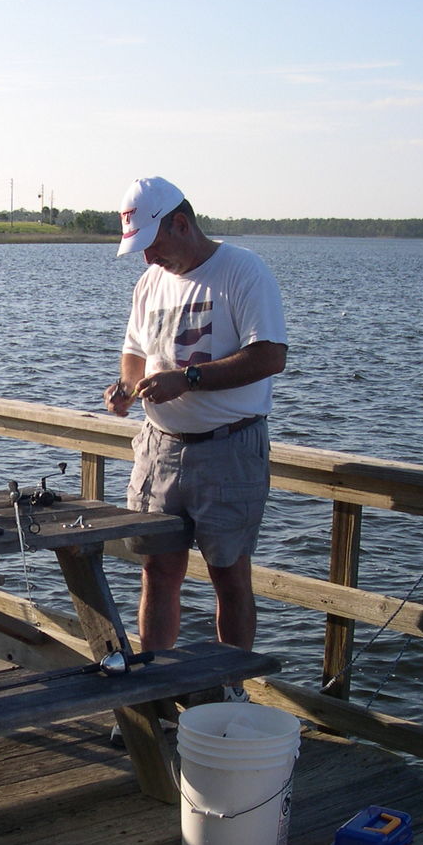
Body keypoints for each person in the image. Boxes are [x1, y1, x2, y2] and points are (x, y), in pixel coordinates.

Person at [105, 176, 287, 700]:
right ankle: (156, 690)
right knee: (157, 573)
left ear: (180, 223)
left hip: (228, 449)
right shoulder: (150, 284)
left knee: (229, 577)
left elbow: (271, 356)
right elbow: (135, 349)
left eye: (152, 246)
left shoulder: (243, 272)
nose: (147, 260)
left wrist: (187, 380)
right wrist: (125, 386)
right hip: (159, 447)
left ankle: (231, 690)